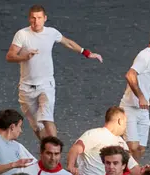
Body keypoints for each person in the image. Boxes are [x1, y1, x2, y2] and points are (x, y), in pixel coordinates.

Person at [6, 4, 103, 140]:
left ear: (45, 18)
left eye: (39, 18)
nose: (36, 21)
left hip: (46, 85)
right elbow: (10, 56)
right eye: (33, 18)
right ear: (29, 19)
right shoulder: (22, 35)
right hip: (26, 88)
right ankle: (47, 149)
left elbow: (68, 42)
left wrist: (87, 53)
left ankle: (56, 150)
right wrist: (24, 57)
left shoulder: (51, 33)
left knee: (47, 118)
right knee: (37, 127)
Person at [119, 28, 150, 161]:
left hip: (143, 109)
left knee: (141, 148)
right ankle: (119, 169)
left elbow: (142, 80)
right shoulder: (145, 55)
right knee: (132, 146)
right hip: (130, 108)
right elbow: (130, 75)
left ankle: (131, 172)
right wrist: (141, 97)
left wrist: (148, 96)